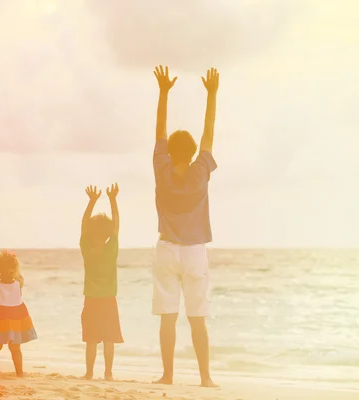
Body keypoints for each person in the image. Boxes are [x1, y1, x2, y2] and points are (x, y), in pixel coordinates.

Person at [151, 65, 219, 387]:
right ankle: (205, 378)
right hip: (194, 252)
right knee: (197, 319)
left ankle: (168, 375)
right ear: (193, 152)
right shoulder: (200, 171)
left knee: (168, 317)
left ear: (169, 152)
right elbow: (209, 131)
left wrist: (164, 93)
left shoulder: (161, 169)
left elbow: (159, 133)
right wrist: (212, 95)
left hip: (166, 249)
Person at [79, 183, 124, 381]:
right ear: (107, 234)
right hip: (108, 301)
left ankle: (89, 373)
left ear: (90, 232)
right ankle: (108, 374)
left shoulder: (86, 249)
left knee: (91, 339)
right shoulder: (111, 248)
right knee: (108, 339)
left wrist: (91, 202)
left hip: (91, 301)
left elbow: (83, 225)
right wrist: (113, 200)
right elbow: (116, 226)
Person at [0, 250, 37, 377]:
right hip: (10, 317)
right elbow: (18, 276)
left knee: (2, 348)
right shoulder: (17, 282)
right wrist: (11, 265)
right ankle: (14, 372)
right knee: (7, 348)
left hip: (6, 316)